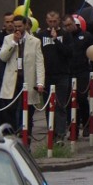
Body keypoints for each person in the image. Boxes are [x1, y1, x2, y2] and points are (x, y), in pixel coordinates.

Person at [0, 15, 45, 135]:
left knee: (27, 111)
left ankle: (26, 137)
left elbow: (39, 63)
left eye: (20, 26)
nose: (17, 29)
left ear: (25, 25)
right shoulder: (8, 39)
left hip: (27, 80)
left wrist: (40, 82)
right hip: (13, 81)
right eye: (15, 26)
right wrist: (14, 42)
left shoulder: (35, 41)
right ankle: (12, 134)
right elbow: (3, 57)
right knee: (10, 109)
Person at [37, 11, 72, 141]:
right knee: (48, 105)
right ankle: (51, 131)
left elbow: (69, 52)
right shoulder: (40, 35)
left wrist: (56, 40)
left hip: (62, 74)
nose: (52, 24)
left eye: (55, 21)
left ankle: (60, 134)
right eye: (50, 21)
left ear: (59, 21)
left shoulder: (66, 35)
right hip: (47, 75)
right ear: (46, 21)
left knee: (60, 105)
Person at [63, 14, 92, 137]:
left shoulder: (86, 36)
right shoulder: (64, 37)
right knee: (69, 101)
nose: (68, 27)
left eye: (70, 25)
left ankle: (86, 123)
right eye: (65, 26)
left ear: (75, 23)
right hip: (68, 72)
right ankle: (72, 129)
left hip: (82, 72)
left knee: (81, 98)